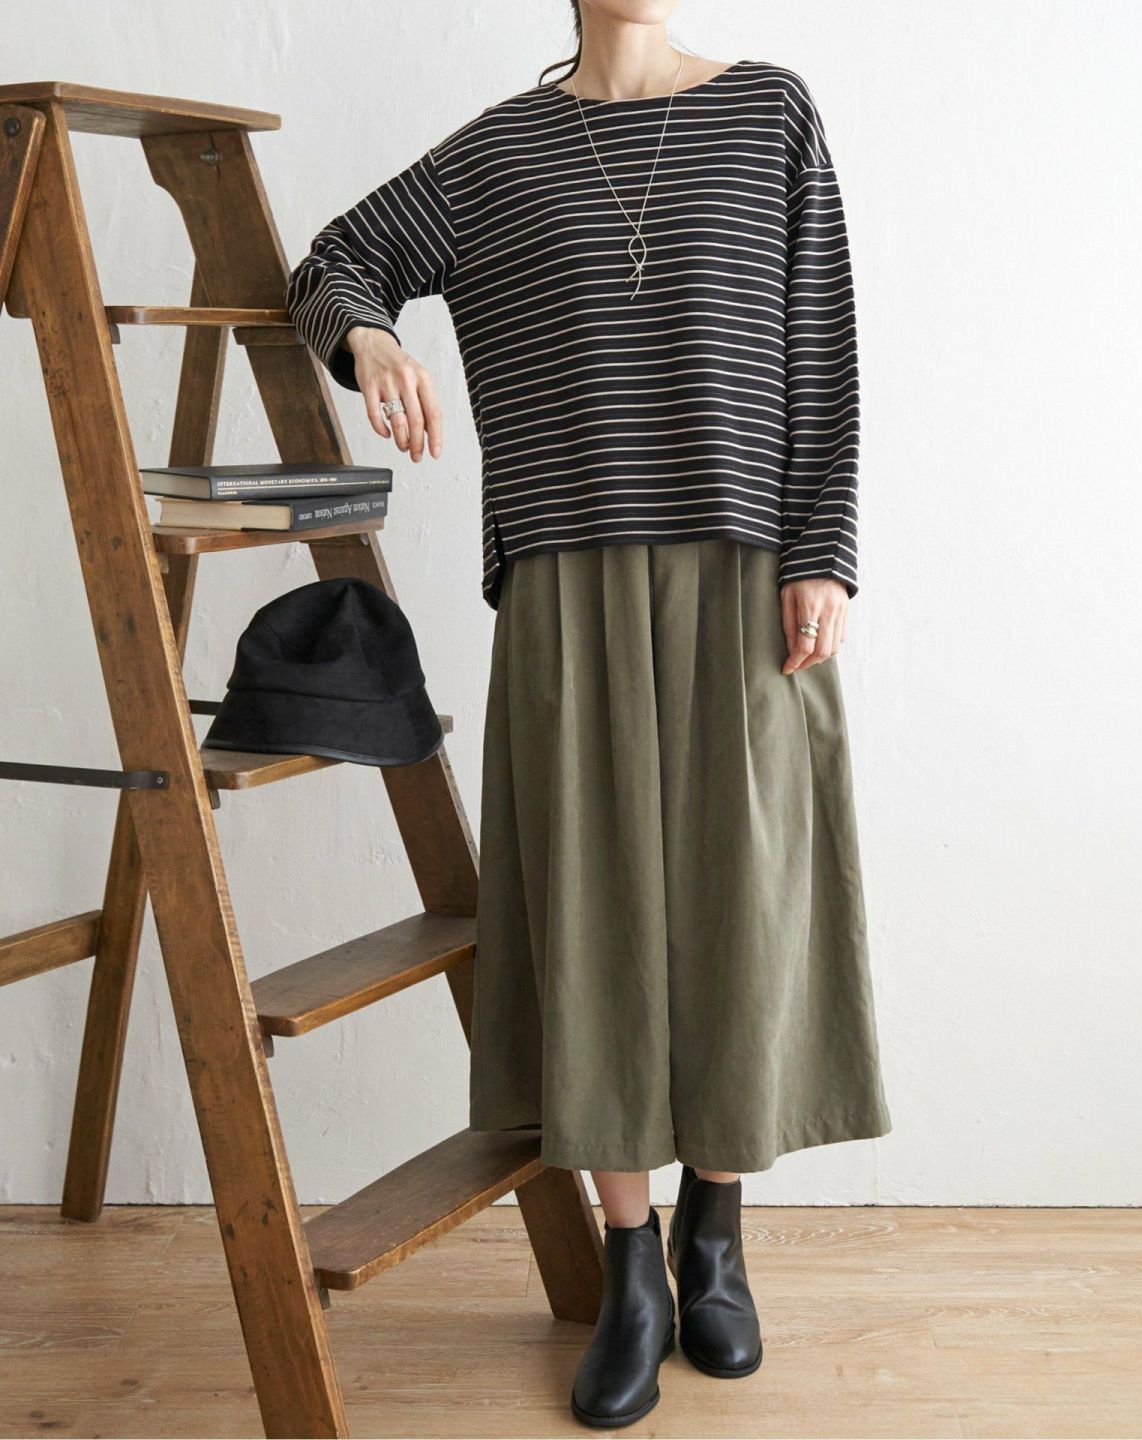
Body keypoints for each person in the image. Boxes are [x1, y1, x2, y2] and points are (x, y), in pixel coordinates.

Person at [285, 0, 891, 1427]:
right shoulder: (499, 154)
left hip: (746, 568)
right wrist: (371, 342)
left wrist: (823, 549)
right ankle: (632, 1264)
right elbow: (333, 262)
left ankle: (715, 1236)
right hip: (567, 575)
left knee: (743, 898)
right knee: (594, 908)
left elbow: (823, 347)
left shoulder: (769, 112)